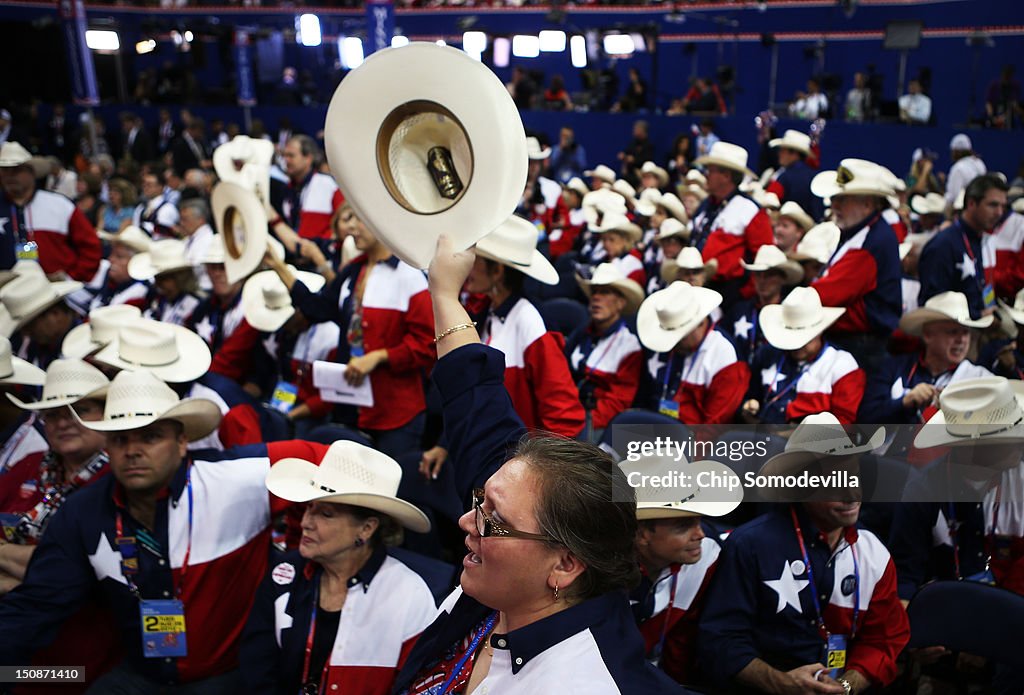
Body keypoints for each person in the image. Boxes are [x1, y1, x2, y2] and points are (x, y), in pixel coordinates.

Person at [390, 234, 681, 694]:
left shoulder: (584, 683)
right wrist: (444, 293)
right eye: (480, 501)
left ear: (565, 565)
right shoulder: (516, 569)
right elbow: (477, 404)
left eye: (494, 519)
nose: (467, 519)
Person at [0, 369, 330, 691]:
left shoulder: (238, 477)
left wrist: (301, 555)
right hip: (140, 671)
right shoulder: (82, 511)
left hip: (230, 673)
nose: (132, 450)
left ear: (182, 441)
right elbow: (37, 605)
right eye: (120, 439)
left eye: (150, 436)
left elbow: (330, 461)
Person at [699, 414, 910, 695]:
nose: (851, 494)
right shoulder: (750, 546)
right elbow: (720, 641)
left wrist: (845, 687)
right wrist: (781, 683)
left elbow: (883, 641)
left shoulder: (875, 555)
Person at [240, 441, 438, 694]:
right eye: (309, 508)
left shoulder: (409, 594)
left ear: (366, 528)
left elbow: (416, 686)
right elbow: (257, 668)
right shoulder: (284, 573)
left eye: (326, 514)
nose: (306, 523)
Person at [269, 204, 435, 458]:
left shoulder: (410, 276)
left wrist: (379, 356)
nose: (352, 229)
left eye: (361, 220)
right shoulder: (352, 271)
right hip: (351, 408)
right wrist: (278, 266)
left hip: (396, 413)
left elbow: (428, 345)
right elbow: (318, 308)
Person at [628, 455, 743, 687]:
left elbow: (684, 638)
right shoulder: (597, 570)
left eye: (699, 521)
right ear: (641, 534)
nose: (699, 534)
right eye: (683, 526)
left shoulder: (708, 554)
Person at [466, 216, 584, 438]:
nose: (466, 266)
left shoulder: (531, 321)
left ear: (497, 271)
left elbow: (563, 416)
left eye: (475, 259)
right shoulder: (485, 311)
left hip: (520, 458)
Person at [808, 159, 902, 371]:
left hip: (860, 348)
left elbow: (826, 295)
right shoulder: (864, 232)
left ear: (867, 204)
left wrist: (795, 301)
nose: (834, 206)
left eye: (842, 200)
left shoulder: (870, 243)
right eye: (834, 199)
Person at [859, 291, 992, 426]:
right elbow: (865, 419)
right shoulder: (893, 367)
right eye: (953, 332)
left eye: (965, 332)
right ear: (928, 335)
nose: (962, 340)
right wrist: (904, 402)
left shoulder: (981, 379)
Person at [743, 287, 865, 425]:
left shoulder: (842, 366)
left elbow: (845, 424)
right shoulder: (768, 354)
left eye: (803, 339)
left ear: (819, 332)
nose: (796, 346)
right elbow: (749, 394)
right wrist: (748, 406)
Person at [636, 281, 749, 425]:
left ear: (701, 323)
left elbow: (713, 426)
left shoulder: (725, 356)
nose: (673, 344)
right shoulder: (662, 343)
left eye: (680, 337)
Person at [0, 141, 101, 281]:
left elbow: (91, 247)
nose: (10, 176)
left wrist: (71, 277)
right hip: (8, 296)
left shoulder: (60, 205)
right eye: (5, 170)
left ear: (32, 172)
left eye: (17, 170)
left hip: (57, 292)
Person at [566, 263, 644, 439]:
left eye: (605, 292)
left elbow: (618, 402)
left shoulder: (630, 346)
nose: (596, 298)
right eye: (594, 292)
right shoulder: (582, 334)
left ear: (620, 303)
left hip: (597, 422)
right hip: (570, 410)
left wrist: (581, 423)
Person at [690, 141, 774, 305]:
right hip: (697, 288)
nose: (705, 174)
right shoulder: (706, 205)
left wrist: (742, 295)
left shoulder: (750, 210)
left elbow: (763, 258)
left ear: (726, 176)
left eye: (710, 170)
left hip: (729, 295)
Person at [918, 174, 1008, 318]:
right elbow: (932, 306)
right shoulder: (943, 246)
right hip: (952, 334)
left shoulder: (979, 239)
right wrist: (977, 315)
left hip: (977, 329)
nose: (999, 213)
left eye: (1003, 206)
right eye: (993, 205)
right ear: (971, 203)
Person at [725, 244, 803, 364]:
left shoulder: (790, 315)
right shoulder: (738, 311)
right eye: (758, 275)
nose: (762, 281)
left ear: (782, 278)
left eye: (769, 275)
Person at [1, 266, 82, 370]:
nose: (26, 333)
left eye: (31, 325)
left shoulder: (86, 346)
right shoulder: (39, 347)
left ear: (55, 314)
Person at [270, 134, 344, 241]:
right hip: (293, 252)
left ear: (308, 158)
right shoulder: (286, 189)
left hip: (323, 253)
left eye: (291, 156)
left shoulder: (328, 184)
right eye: (284, 155)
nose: (286, 160)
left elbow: (345, 219)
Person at [132, 239, 201, 327]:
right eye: (156, 278)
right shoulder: (159, 300)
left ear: (180, 278)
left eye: (163, 279)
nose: (157, 284)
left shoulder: (193, 306)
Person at [765, 130, 824, 222]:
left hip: (788, 229)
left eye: (783, 150)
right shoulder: (816, 177)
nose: (779, 153)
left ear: (794, 154)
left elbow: (769, 201)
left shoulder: (784, 177)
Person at [175, 198, 215, 292]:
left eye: (185, 219)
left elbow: (196, 265)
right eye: (181, 220)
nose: (182, 223)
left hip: (204, 288)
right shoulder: (190, 239)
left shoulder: (208, 239)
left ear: (200, 220)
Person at [133, 170, 180, 240]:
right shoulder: (140, 208)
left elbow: (164, 236)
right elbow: (135, 228)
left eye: (149, 184)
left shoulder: (167, 208)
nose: (145, 187)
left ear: (160, 187)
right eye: (143, 184)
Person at [944, 134, 987, 211]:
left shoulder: (958, 168)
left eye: (953, 151)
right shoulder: (980, 163)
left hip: (963, 211)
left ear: (957, 152)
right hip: (980, 208)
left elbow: (953, 196)